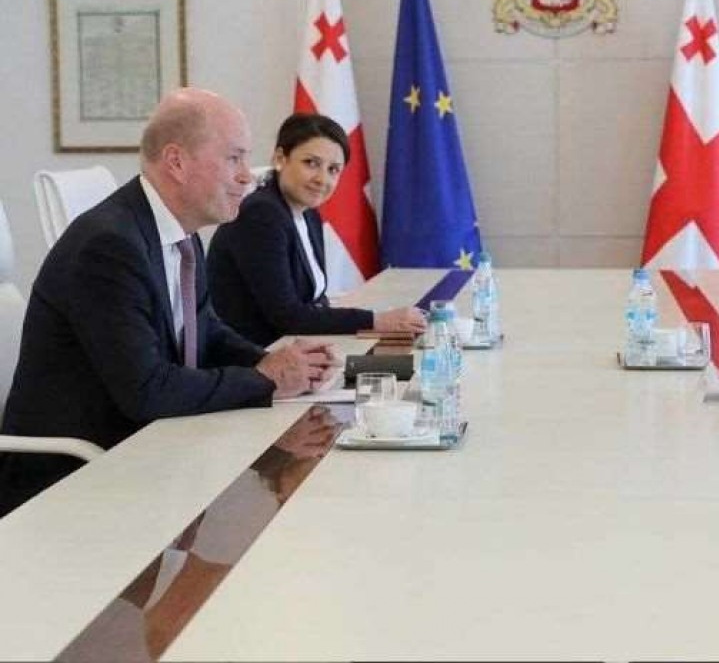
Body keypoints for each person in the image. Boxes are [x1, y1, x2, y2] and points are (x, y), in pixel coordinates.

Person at [0, 88, 336, 517]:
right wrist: (265, 379)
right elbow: (146, 390)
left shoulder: (179, 233)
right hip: (72, 479)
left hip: (146, 451)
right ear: (176, 162)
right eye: (233, 158)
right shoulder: (109, 245)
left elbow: (205, 331)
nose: (247, 177)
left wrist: (275, 363)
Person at [207, 113, 426, 346]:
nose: (322, 179)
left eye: (333, 169)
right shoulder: (261, 214)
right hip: (256, 355)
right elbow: (288, 317)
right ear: (280, 158)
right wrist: (377, 320)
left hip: (295, 347)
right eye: (311, 163)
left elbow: (315, 302)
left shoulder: (308, 213)